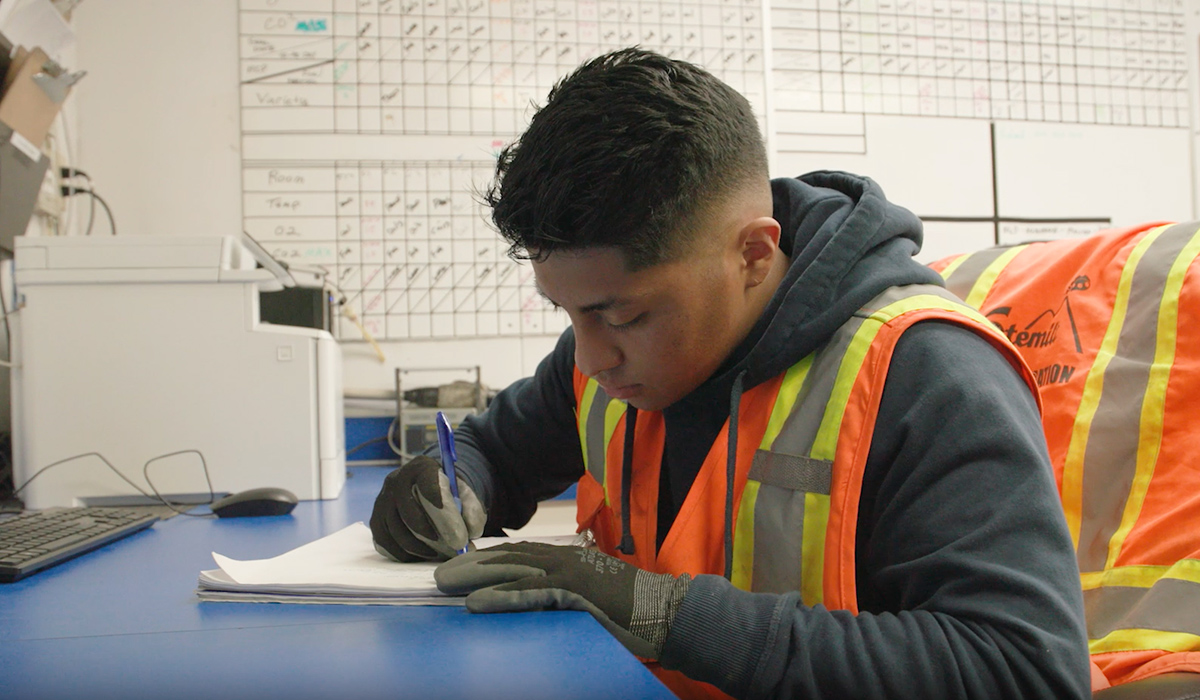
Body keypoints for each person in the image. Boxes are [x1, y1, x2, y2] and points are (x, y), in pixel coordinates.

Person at [370, 48, 1092, 699]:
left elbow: (1026, 669)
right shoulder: (606, 358)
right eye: (567, 311)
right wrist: (447, 484)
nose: (589, 358)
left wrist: (669, 616)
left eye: (624, 316)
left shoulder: (926, 374)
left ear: (753, 254)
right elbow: (493, 450)